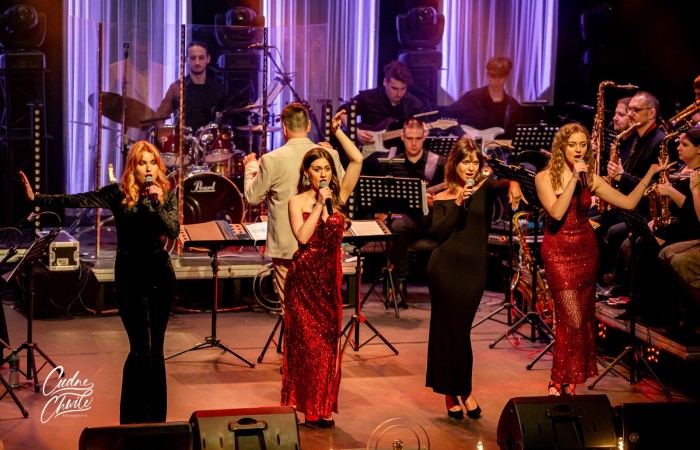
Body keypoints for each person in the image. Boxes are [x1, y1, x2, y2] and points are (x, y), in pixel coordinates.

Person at [18, 141, 179, 423]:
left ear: (158, 167)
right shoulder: (118, 193)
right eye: (142, 163)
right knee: (139, 348)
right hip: (130, 276)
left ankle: (157, 420)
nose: (148, 168)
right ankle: (132, 420)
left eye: (152, 162)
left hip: (160, 276)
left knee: (157, 350)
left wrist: (157, 204)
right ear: (133, 167)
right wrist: (37, 198)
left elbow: (173, 230)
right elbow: (79, 199)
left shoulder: (165, 195)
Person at [534, 123, 668, 396]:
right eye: (572, 144)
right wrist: (573, 180)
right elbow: (557, 213)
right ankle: (558, 377)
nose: (578, 150)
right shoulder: (544, 177)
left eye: (583, 145)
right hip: (558, 251)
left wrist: (650, 174)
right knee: (570, 318)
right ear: (561, 147)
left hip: (586, 251)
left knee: (581, 319)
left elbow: (628, 203)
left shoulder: (591, 179)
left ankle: (567, 378)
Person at [425, 138, 523, 419]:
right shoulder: (443, 198)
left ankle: (459, 388)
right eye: (464, 162)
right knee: (447, 332)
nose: (469, 168)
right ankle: (457, 393)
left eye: (474, 162)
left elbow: (506, 176)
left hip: (472, 272)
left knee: (461, 331)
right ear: (454, 164)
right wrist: (457, 202)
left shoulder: (485, 188)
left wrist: (513, 183)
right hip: (443, 270)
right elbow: (439, 233)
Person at [280, 114, 363, 428]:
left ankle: (324, 405)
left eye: (327, 168)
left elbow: (357, 160)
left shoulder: (338, 198)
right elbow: (302, 237)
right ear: (307, 173)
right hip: (303, 282)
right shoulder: (296, 201)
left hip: (329, 282)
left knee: (328, 347)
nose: (324, 174)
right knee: (307, 347)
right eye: (317, 169)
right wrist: (318, 205)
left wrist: (338, 132)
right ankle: (309, 408)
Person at [243, 103, 345, 306]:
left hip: (287, 247)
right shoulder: (328, 155)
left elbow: (252, 197)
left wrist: (251, 167)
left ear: (284, 127)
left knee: (292, 310)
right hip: (323, 247)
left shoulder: (271, 159)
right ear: (308, 126)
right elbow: (341, 193)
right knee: (321, 309)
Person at [369, 117, 445, 304]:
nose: (413, 143)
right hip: (408, 219)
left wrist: (436, 200)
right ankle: (399, 284)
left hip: (432, 218)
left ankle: (446, 284)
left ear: (424, 137)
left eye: (418, 139)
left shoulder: (438, 162)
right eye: (409, 138)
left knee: (450, 225)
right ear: (402, 137)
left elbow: (449, 193)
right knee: (398, 226)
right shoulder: (393, 163)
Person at [630, 127, 700, 330]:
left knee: (654, 249)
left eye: (684, 144)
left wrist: (672, 191)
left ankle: (668, 313)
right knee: (640, 242)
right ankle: (643, 305)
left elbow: (694, 216)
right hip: (679, 224)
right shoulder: (683, 169)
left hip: (690, 230)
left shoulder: (696, 175)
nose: (678, 148)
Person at [338, 60, 426, 157]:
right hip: (369, 153)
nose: (399, 93)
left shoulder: (414, 104)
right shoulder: (368, 98)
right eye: (394, 88)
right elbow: (341, 113)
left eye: (403, 89)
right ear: (385, 82)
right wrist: (356, 132)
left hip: (402, 153)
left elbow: (422, 129)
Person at [155, 40, 229, 133]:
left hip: (210, 140)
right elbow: (160, 116)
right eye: (193, 58)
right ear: (186, 59)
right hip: (183, 140)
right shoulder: (176, 88)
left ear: (208, 59)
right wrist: (162, 134)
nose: (197, 62)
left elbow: (226, 119)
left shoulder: (218, 89)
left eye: (201, 58)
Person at [439, 56, 520, 139]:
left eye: (501, 77)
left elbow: (514, 133)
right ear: (488, 75)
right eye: (493, 76)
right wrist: (462, 134)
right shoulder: (472, 98)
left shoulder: (512, 105)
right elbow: (445, 115)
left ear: (506, 77)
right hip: (473, 146)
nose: (497, 81)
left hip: (499, 147)